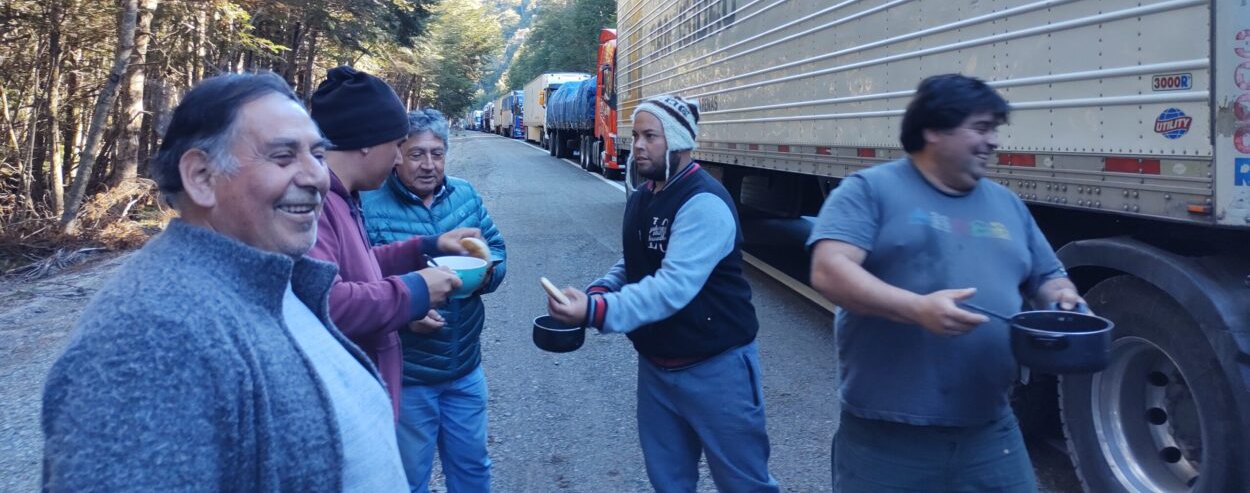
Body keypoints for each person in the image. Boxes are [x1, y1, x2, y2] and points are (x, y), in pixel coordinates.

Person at [42, 72, 410, 491]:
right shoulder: (149, 336)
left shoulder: (267, 279)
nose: (316, 177)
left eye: (318, 154)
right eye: (283, 157)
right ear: (201, 177)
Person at [807, 74, 1086, 493]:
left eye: (995, 129)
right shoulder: (869, 190)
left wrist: (1062, 297)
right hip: (887, 437)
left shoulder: (1006, 203)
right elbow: (829, 270)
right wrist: (917, 309)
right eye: (981, 128)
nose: (993, 141)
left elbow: (1047, 274)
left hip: (990, 429)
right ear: (933, 129)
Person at [547, 94, 780, 493]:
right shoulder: (642, 196)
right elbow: (637, 262)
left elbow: (672, 287)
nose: (637, 145)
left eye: (650, 136)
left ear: (677, 141)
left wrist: (595, 311)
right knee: (669, 483)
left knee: (744, 484)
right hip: (656, 368)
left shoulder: (703, 203)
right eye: (636, 135)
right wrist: (599, 290)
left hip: (717, 368)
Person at [308, 66, 475, 417]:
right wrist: (415, 290)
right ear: (367, 143)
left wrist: (426, 247)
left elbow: (362, 267)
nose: (400, 158)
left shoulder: (345, 196)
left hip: (368, 393)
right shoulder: (315, 204)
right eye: (398, 146)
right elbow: (330, 302)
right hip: (350, 403)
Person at [362, 108, 506, 493]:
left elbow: (496, 249)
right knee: (410, 477)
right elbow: (359, 283)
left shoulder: (465, 195)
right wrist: (405, 316)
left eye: (437, 153)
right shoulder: (368, 204)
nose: (428, 164)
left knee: (473, 470)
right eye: (416, 154)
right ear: (397, 155)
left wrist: (487, 273)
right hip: (408, 375)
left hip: (464, 366)